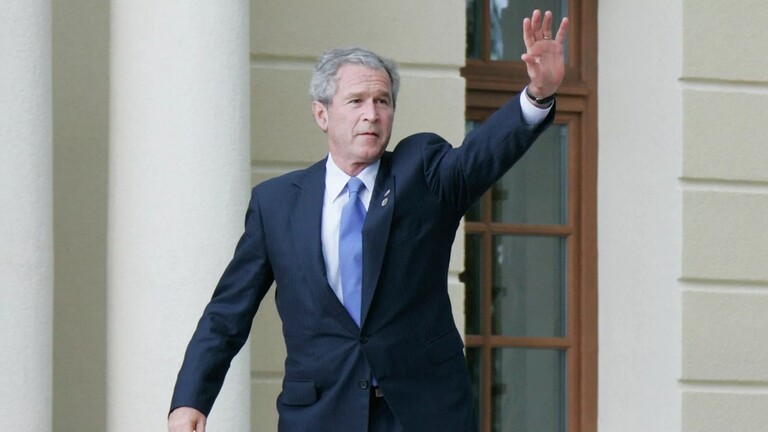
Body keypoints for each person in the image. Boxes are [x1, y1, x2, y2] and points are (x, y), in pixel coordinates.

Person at [168, 9, 568, 432]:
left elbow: (481, 155)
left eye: (383, 101)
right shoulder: (277, 203)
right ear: (322, 114)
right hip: (320, 415)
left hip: (422, 413)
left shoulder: (423, 172)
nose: (372, 114)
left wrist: (537, 95)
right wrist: (191, 399)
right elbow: (228, 311)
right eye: (356, 101)